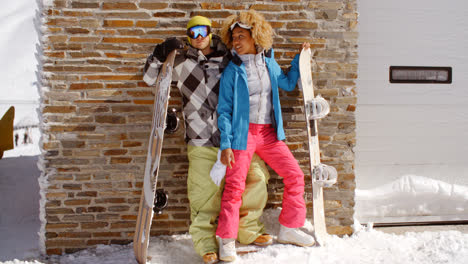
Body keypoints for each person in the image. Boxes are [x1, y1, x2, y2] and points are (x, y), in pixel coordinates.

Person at [143, 16, 272, 264]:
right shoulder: (180, 63)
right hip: (200, 137)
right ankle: (205, 243)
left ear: (210, 32)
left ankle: (248, 230)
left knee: (256, 178)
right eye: (192, 33)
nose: (197, 36)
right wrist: (159, 53)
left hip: (235, 137)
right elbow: (150, 78)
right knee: (204, 193)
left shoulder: (230, 60)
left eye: (202, 30)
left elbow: (257, 70)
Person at [215, 10, 315, 262]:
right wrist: (226, 143)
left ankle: (289, 228)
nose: (236, 41)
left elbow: (288, 84)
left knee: (295, 174)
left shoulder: (268, 63)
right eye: (233, 37)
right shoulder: (232, 71)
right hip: (242, 135)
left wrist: (298, 60)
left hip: (269, 134)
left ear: (255, 36)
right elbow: (224, 110)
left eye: (241, 36)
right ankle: (227, 239)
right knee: (234, 187)